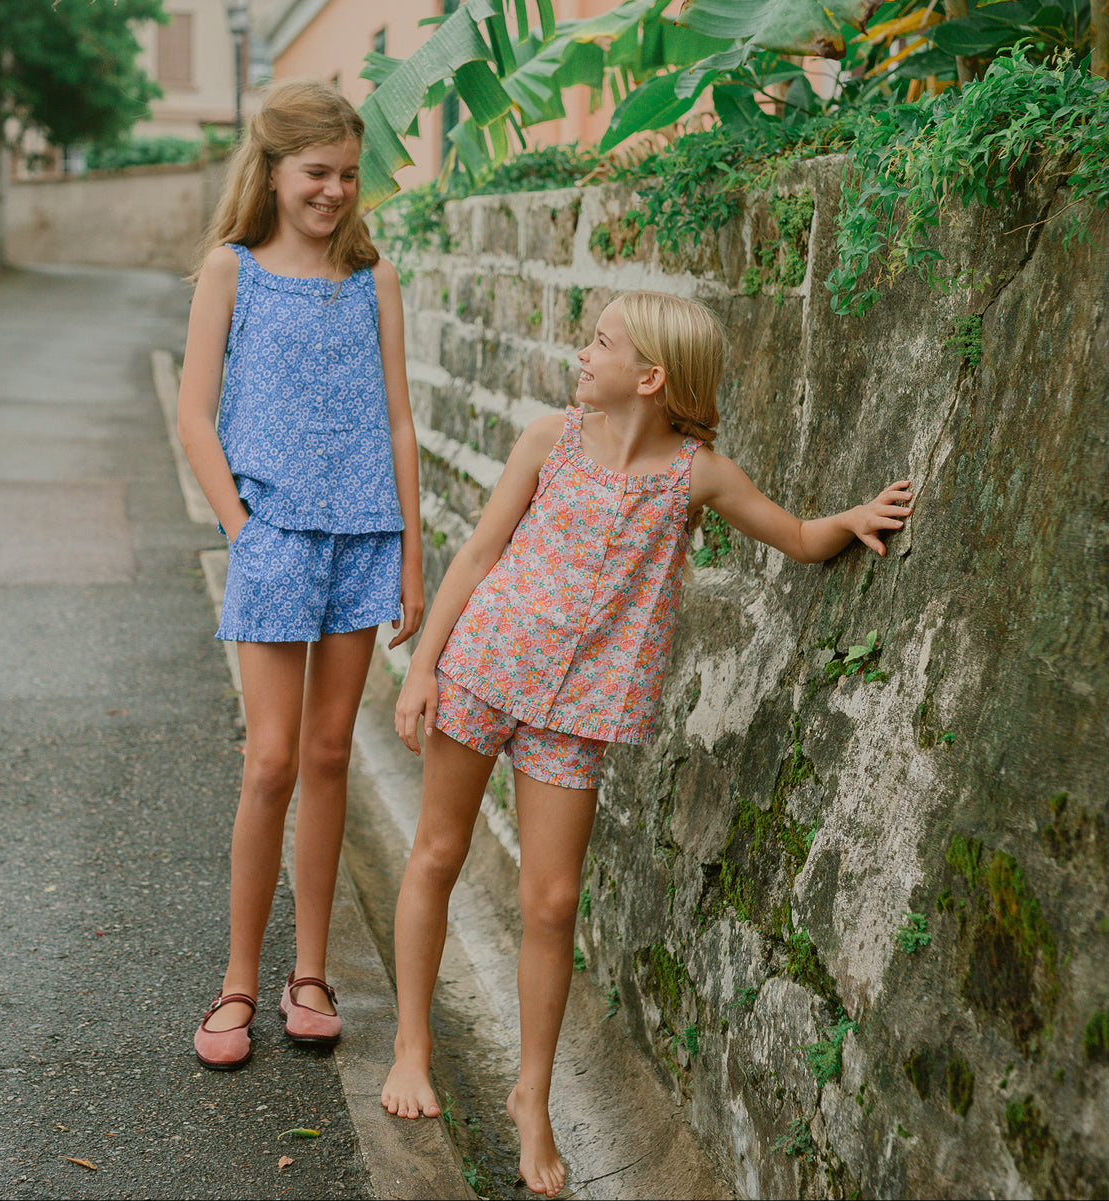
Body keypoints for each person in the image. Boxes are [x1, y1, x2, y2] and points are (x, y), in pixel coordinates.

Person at [380, 290, 912, 1196]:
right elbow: (477, 553)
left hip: (580, 709)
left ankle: (532, 1097)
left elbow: (791, 534)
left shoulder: (696, 474)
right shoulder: (548, 439)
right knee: (437, 851)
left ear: (651, 377)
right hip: (485, 664)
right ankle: (411, 1045)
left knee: (551, 904)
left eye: (601, 343)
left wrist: (850, 519)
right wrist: (425, 665)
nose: (582, 353)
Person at [177, 79, 423, 1071]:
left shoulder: (375, 280)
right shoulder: (229, 271)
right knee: (271, 758)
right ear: (273, 171)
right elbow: (197, 413)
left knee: (331, 758)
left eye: (348, 177)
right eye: (317, 174)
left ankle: (309, 973)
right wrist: (241, 528)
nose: (334, 193)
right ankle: (240, 977)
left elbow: (401, 420)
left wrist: (413, 551)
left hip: (364, 535)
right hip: (275, 536)